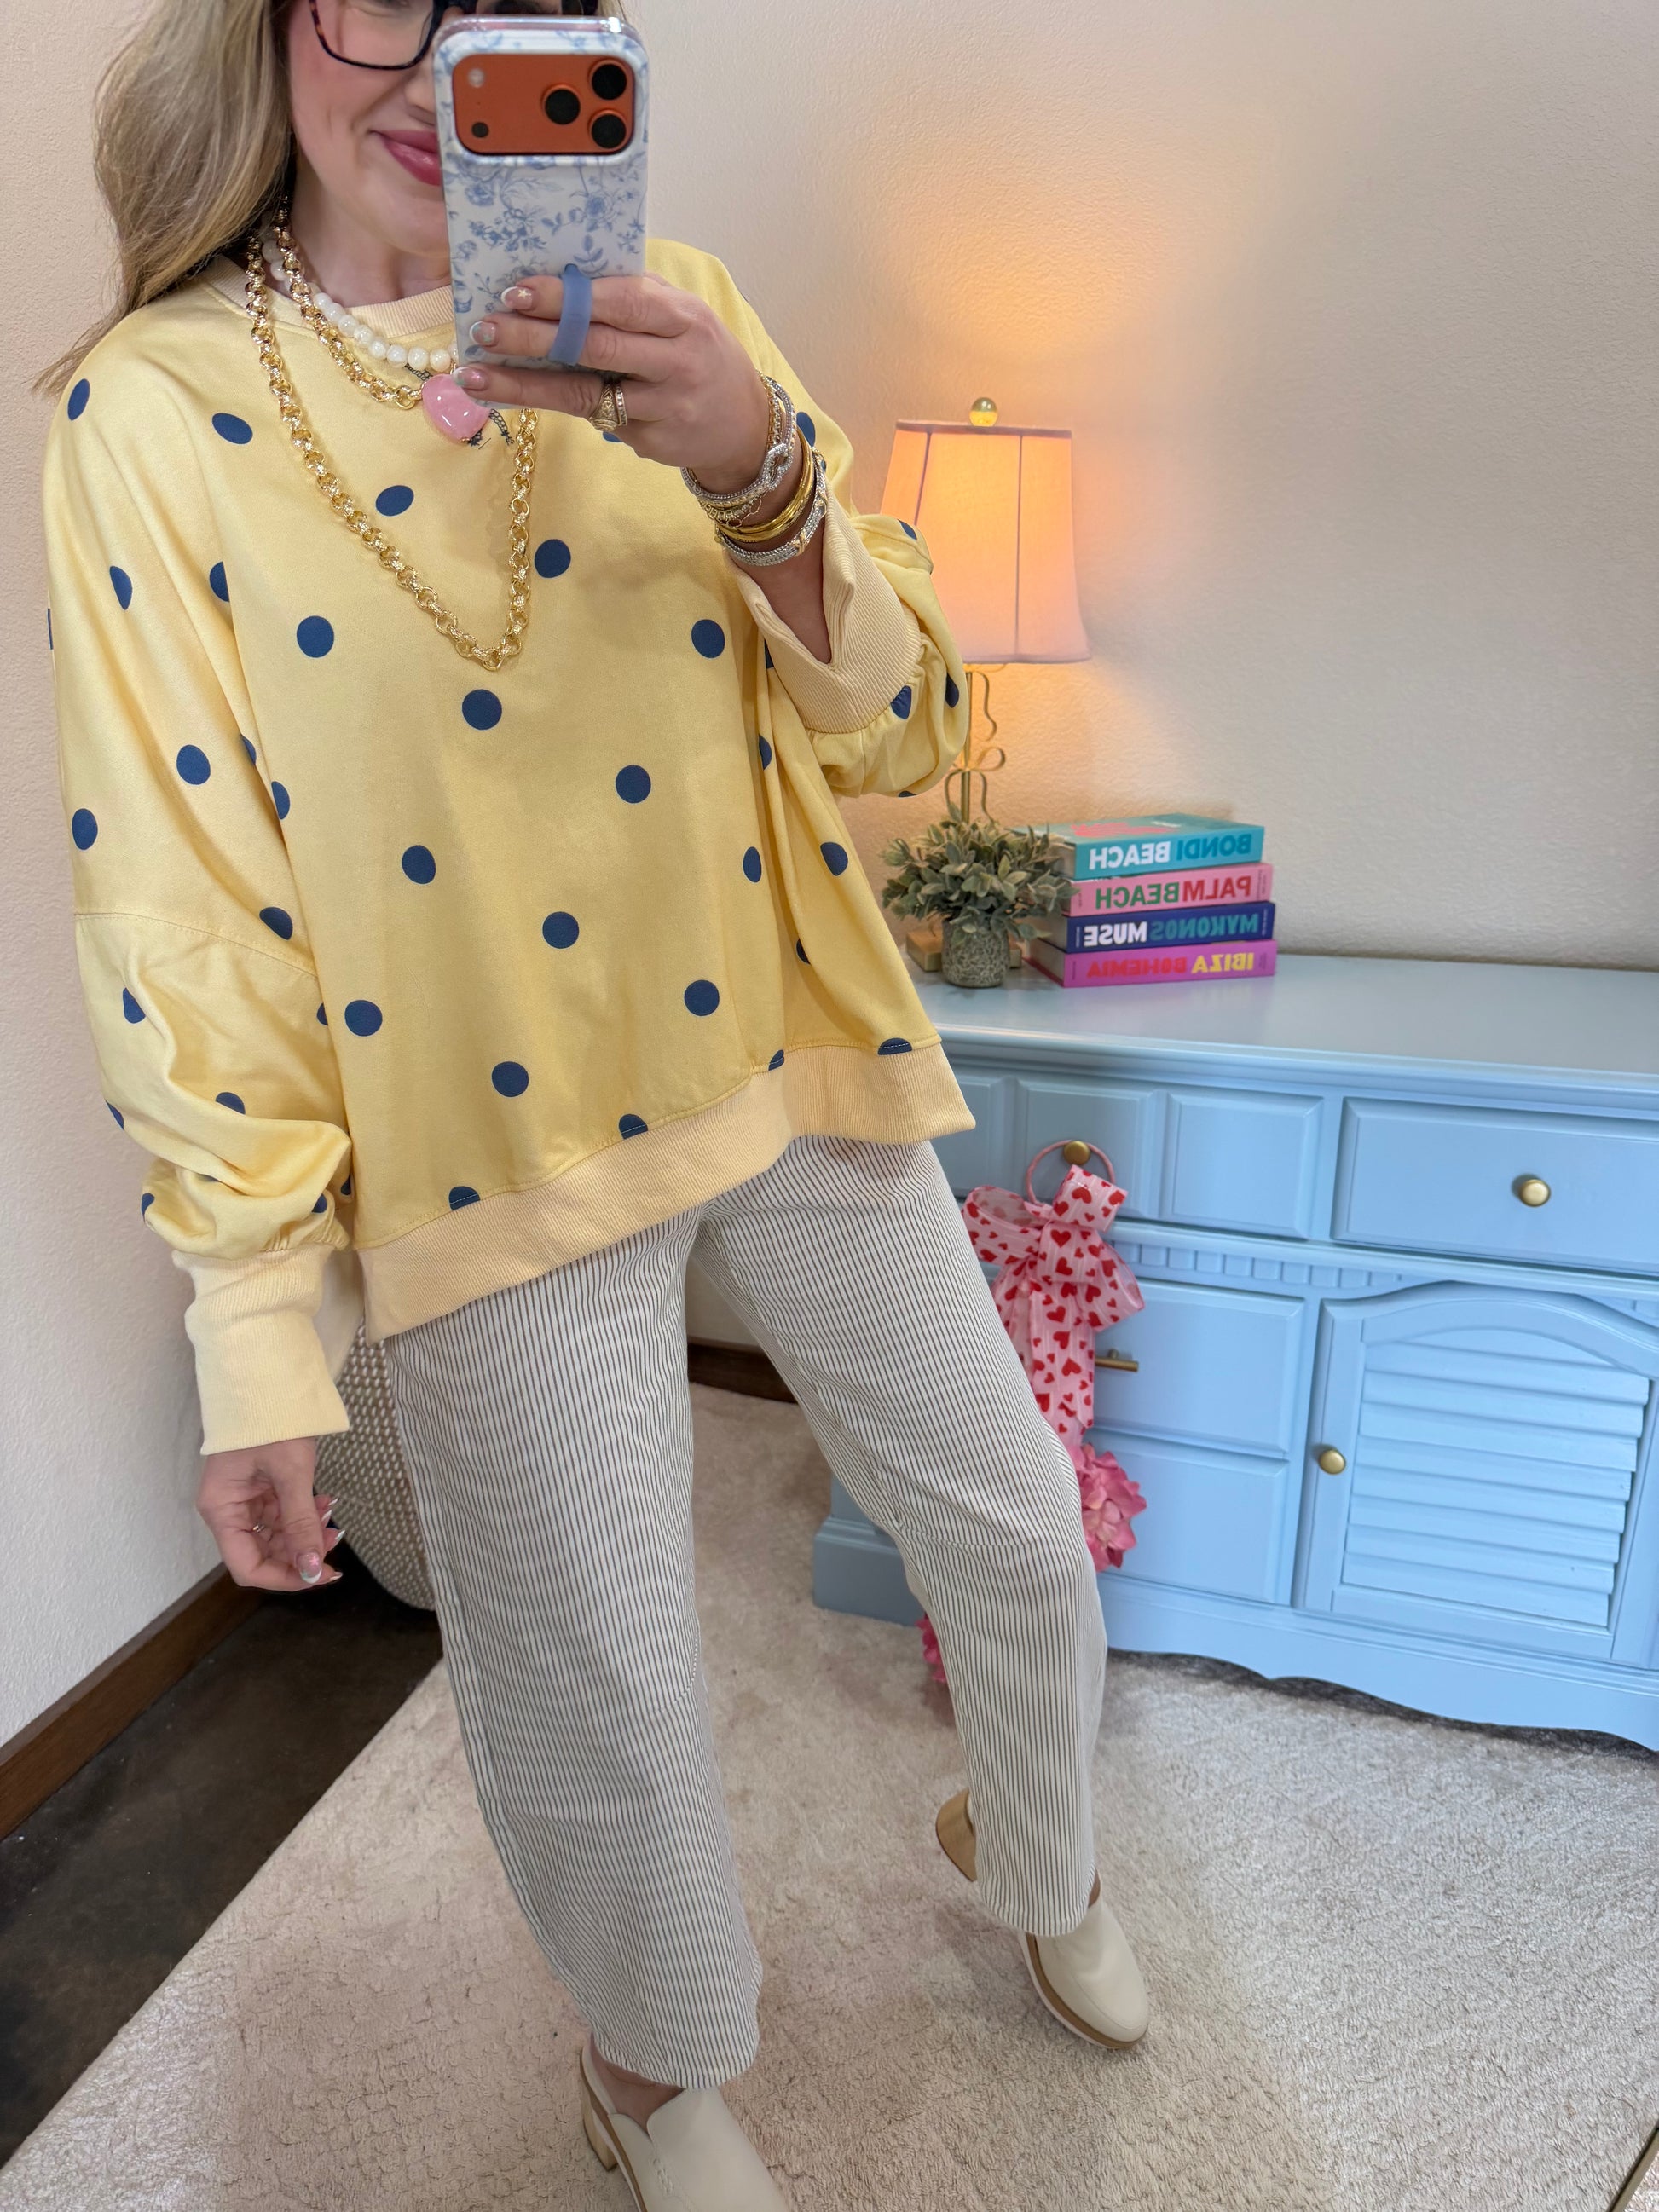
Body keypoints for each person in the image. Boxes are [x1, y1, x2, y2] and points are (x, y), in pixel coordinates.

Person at [41, 2, 1149, 2203]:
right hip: (481, 1136)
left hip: (781, 1034)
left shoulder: (681, 309)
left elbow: (902, 723)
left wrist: (761, 471)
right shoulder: (148, 413)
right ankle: (650, 2073)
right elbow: (186, 902)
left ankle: (1044, 1856)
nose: (433, 74)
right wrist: (254, 1325)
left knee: (1018, 1532)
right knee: (600, 1681)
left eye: (511, 9)